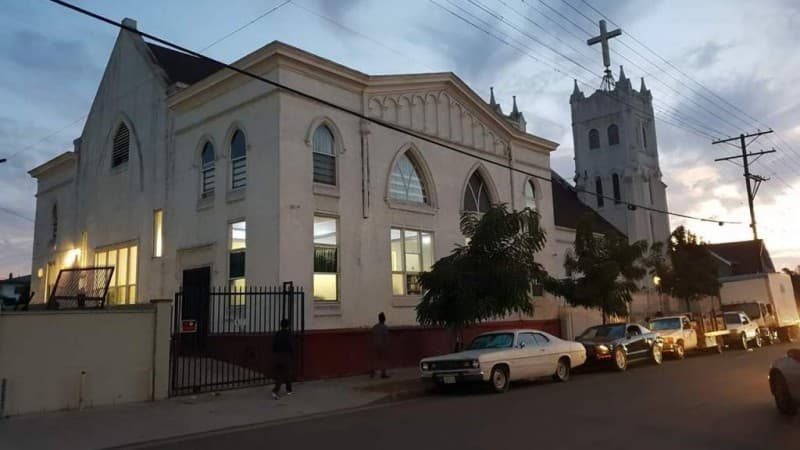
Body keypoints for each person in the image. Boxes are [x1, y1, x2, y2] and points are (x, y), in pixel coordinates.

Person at [272, 318, 293, 400]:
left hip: (277, 356)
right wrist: (292, 354)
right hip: (285, 356)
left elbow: (274, 346)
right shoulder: (288, 334)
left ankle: (289, 389)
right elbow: (290, 345)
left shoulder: (277, 333)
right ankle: (275, 391)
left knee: (284, 373)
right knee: (284, 373)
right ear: (288, 325)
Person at [371, 312, 390, 379]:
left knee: (375, 359)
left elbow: (372, 335)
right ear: (384, 319)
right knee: (383, 359)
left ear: (379, 319)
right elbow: (386, 338)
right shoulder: (385, 327)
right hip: (382, 346)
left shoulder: (375, 327)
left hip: (375, 345)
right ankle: (383, 373)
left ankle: (372, 371)